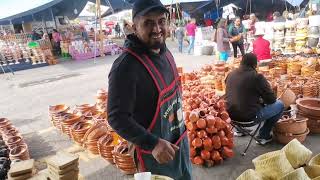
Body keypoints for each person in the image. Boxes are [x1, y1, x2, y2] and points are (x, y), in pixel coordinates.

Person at [107, 0, 192, 179]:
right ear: (134, 27)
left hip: (179, 141)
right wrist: (152, 143)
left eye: (161, 21)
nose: (157, 29)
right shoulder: (125, 67)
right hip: (153, 155)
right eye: (148, 23)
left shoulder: (165, 52)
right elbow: (116, 117)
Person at [225, 53, 284, 145]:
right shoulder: (257, 77)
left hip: (230, 116)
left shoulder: (230, 74)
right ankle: (263, 135)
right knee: (280, 105)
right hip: (249, 118)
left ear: (241, 62)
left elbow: (237, 93)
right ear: (255, 65)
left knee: (238, 101)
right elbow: (271, 100)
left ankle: (240, 130)